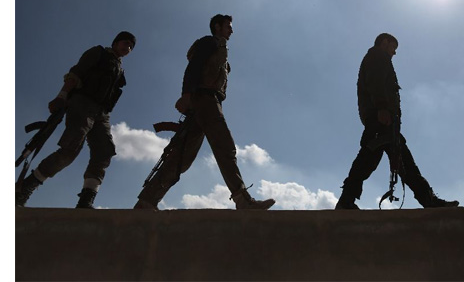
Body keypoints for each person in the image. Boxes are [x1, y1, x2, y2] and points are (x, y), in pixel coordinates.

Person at [134, 14, 275, 210]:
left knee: (181, 157)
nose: (231, 30)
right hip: (205, 101)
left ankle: (146, 202)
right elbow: (194, 67)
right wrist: (186, 95)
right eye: (228, 26)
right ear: (217, 27)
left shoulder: (220, 50)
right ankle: (242, 200)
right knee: (224, 147)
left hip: (204, 102)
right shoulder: (210, 43)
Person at [335, 33, 459, 209]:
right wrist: (382, 108)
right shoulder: (378, 56)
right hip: (381, 120)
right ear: (385, 43)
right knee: (380, 162)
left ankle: (346, 200)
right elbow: (376, 83)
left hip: (382, 121)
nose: (394, 52)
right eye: (393, 47)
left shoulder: (376, 58)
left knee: (385, 162)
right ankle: (429, 201)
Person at [16, 31, 136, 208]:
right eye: (125, 43)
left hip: (102, 113)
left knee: (104, 151)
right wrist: (62, 95)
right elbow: (76, 73)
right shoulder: (98, 53)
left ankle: (86, 199)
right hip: (83, 103)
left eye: (131, 47)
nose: (128, 48)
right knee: (70, 149)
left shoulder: (120, 69)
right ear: (116, 42)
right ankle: (26, 187)